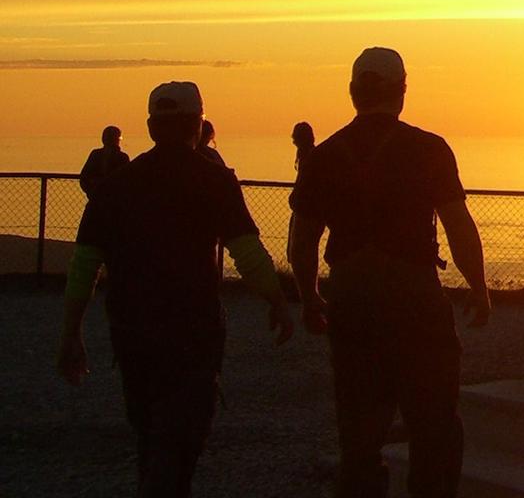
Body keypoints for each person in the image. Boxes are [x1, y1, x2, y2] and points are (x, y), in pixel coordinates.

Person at [55, 81, 293, 498]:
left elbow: (84, 265)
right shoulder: (214, 180)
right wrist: (277, 301)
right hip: (192, 331)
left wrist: (71, 332)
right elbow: (248, 254)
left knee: (149, 432)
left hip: (130, 331)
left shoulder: (114, 187)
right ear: (198, 125)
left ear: (150, 127)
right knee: (180, 442)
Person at [289, 47, 490, 498]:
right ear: (402, 91)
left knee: (359, 435)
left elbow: (301, 243)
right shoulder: (429, 149)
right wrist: (479, 289)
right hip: (415, 298)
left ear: (353, 93)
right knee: (434, 427)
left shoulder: (323, 156)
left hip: (351, 297)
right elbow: (459, 226)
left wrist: (309, 298)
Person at [79, 125, 130, 199]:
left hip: (105, 198)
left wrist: (91, 191)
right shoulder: (122, 157)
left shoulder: (96, 154)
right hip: (109, 199)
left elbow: (84, 177)